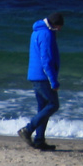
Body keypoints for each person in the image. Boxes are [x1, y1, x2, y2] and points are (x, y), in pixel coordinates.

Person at [19, 12, 64, 151]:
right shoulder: (46, 34)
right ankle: (28, 129)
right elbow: (46, 60)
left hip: (35, 75)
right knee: (53, 105)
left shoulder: (37, 32)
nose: (60, 29)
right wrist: (53, 80)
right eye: (60, 26)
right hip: (43, 77)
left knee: (43, 108)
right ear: (55, 24)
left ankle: (39, 140)